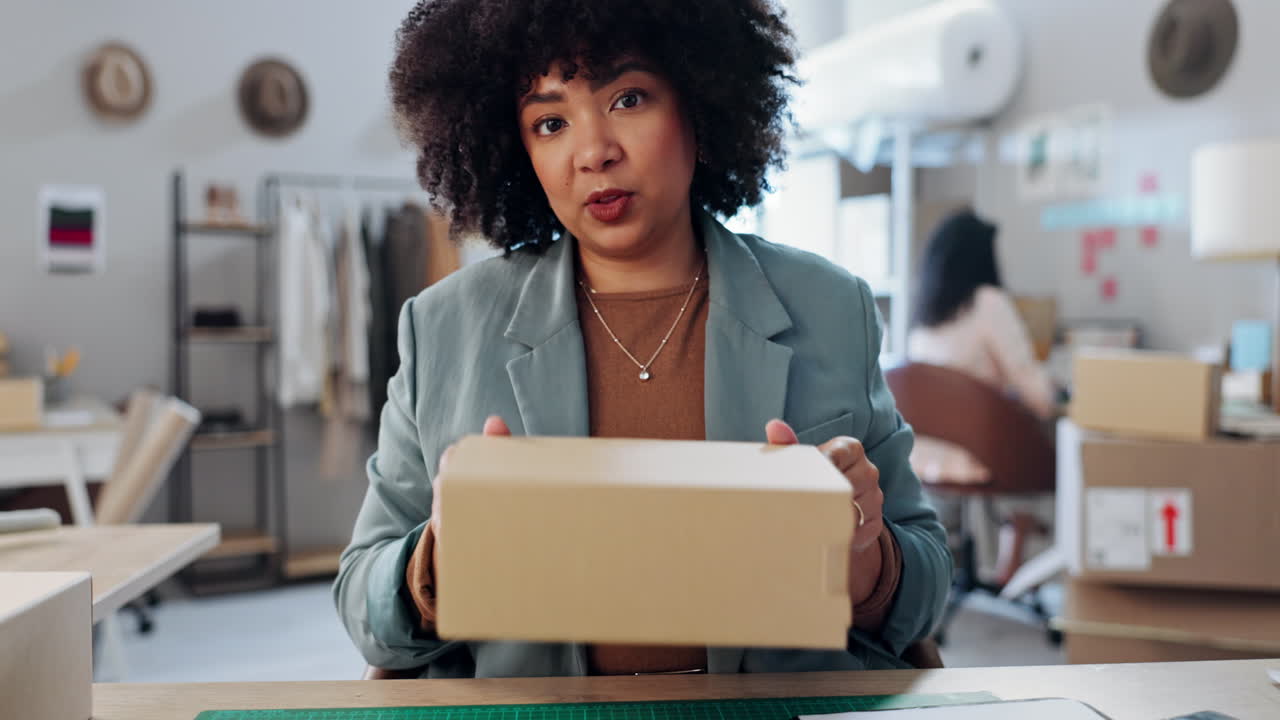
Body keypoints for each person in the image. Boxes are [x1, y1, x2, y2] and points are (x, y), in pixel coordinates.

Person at [334, 0, 950, 678]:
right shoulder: (443, 326)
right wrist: (438, 563)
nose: (594, 151)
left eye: (627, 99)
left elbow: (927, 582)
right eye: (550, 123)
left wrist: (864, 561)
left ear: (699, 104)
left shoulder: (830, 306)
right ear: (517, 150)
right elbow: (362, 601)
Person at [907, 210, 1056, 420]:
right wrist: (1052, 391)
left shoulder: (922, 318)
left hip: (921, 438)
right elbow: (1040, 399)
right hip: (973, 437)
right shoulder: (988, 302)